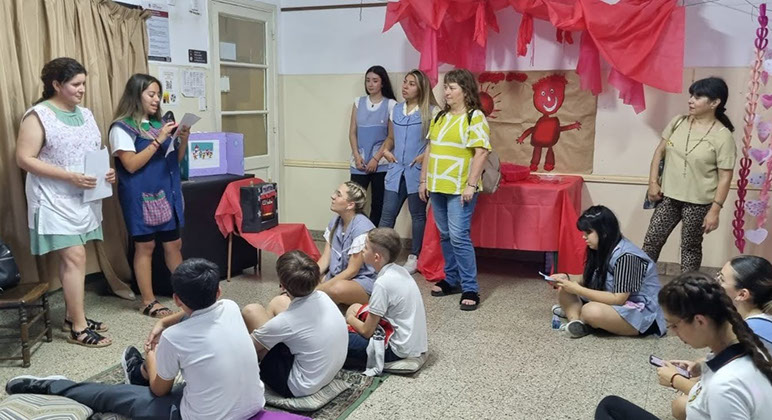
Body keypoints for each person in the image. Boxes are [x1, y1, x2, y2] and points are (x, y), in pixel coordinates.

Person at [6, 258, 264, 420]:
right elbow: (193, 315)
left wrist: (152, 352)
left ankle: (53, 386)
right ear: (218, 291)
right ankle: (138, 371)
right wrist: (163, 321)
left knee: (113, 396)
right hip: (252, 405)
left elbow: (160, 390)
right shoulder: (230, 306)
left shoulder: (175, 338)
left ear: (176, 299)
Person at [15, 57, 115, 347]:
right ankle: (78, 329)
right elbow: (24, 159)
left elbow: (92, 150)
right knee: (75, 257)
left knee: (75, 257)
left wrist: (105, 171)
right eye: (75, 84)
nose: (82, 89)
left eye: (83, 83)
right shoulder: (38, 116)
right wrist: (69, 176)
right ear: (56, 85)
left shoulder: (86, 114)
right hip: (52, 197)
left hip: (84, 195)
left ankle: (73, 315)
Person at [594, 272, 772, 420]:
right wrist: (701, 367)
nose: (672, 332)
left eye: (674, 325)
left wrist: (675, 380)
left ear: (699, 321)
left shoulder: (724, 387)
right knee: (610, 406)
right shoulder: (751, 348)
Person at [109, 74, 191, 318]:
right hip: (141, 195)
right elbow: (131, 164)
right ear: (136, 95)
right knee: (145, 246)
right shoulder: (121, 127)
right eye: (151, 95)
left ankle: (188, 294)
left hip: (167, 193)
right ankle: (148, 301)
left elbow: (174, 160)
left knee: (174, 244)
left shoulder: (158, 124)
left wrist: (183, 139)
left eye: (158, 95)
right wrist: (159, 139)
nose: (157, 100)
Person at [643, 77, 736, 273]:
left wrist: (715, 210)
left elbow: (725, 177)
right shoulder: (678, 122)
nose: (691, 100)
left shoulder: (723, 136)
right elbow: (659, 152)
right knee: (651, 241)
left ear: (715, 103)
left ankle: (688, 289)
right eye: (691, 95)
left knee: (690, 249)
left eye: (698, 97)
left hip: (699, 203)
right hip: (668, 197)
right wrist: (653, 183)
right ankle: (636, 284)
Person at [420, 68, 491, 311]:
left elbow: (481, 152)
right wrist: (423, 181)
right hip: (437, 185)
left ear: (465, 91)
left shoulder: (475, 117)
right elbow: (430, 149)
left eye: (452, 88)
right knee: (445, 235)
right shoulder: (440, 116)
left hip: (460, 187)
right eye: (445, 87)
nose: (446, 92)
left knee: (459, 236)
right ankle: (452, 279)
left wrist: (471, 184)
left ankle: (470, 287)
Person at [241, 250, 347, 398]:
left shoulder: (286, 321)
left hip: (298, 386)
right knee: (279, 302)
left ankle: (267, 350)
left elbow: (245, 349)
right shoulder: (323, 296)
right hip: (329, 371)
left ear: (283, 285)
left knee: (251, 311)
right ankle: (273, 338)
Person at [551, 205, 666, 339]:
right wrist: (566, 277)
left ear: (604, 232)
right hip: (614, 303)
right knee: (564, 289)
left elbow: (618, 299)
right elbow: (591, 278)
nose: (584, 237)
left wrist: (578, 290)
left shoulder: (627, 257)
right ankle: (576, 322)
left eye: (588, 232)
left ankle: (581, 316)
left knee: (591, 311)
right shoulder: (602, 248)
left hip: (640, 313)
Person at [379, 69, 438, 274]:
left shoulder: (432, 112)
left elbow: (435, 143)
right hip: (396, 170)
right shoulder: (395, 109)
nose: (405, 86)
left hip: (417, 172)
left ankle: (415, 256)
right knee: (387, 215)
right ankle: (380, 254)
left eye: (411, 84)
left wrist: (424, 157)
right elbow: (391, 138)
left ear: (421, 88)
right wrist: (385, 151)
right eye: (405, 82)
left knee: (418, 215)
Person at [345, 228, 428, 373]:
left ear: (376, 257)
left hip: (396, 349)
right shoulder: (400, 271)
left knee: (333, 338)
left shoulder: (382, 283)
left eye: (365, 247)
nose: (362, 250)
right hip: (411, 343)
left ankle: (388, 361)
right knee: (356, 307)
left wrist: (350, 318)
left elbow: (366, 331)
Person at [348, 65, 397, 226]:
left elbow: (391, 137)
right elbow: (352, 132)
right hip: (359, 161)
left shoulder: (391, 105)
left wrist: (376, 159)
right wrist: (357, 155)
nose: (370, 84)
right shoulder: (358, 102)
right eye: (368, 80)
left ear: (382, 83)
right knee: (354, 203)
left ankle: (373, 235)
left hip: (381, 163)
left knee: (378, 204)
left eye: (375, 81)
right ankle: (356, 233)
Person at [317, 181, 377, 305]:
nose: (333, 196)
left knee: (337, 289)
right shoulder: (335, 221)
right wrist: (306, 278)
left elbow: (352, 271)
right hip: (339, 275)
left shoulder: (362, 228)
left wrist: (319, 289)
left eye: (338, 194)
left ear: (350, 205)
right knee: (301, 274)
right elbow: (325, 259)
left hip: (362, 280)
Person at [718, 255, 772, 352]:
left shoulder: (746, 333)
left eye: (721, 280)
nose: (715, 283)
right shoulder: (765, 319)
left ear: (742, 294)